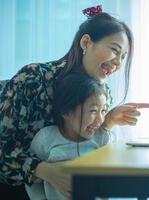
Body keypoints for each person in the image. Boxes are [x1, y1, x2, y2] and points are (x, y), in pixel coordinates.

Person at [0, 5, 149, 199]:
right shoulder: (34, 78)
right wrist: (44, 171)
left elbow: (85, 146)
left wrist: (107, 121)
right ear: (86, 42)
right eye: (115, 50)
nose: (118, 63)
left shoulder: (103, 91)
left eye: (123, 57)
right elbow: (3, 148)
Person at [25, 72, 110, 200]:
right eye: (93, 111)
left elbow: (109, 181)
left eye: (103, 110)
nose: (100, 120)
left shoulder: (103, 139)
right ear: (66, 111)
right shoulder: (46, 138)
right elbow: (31, 179)